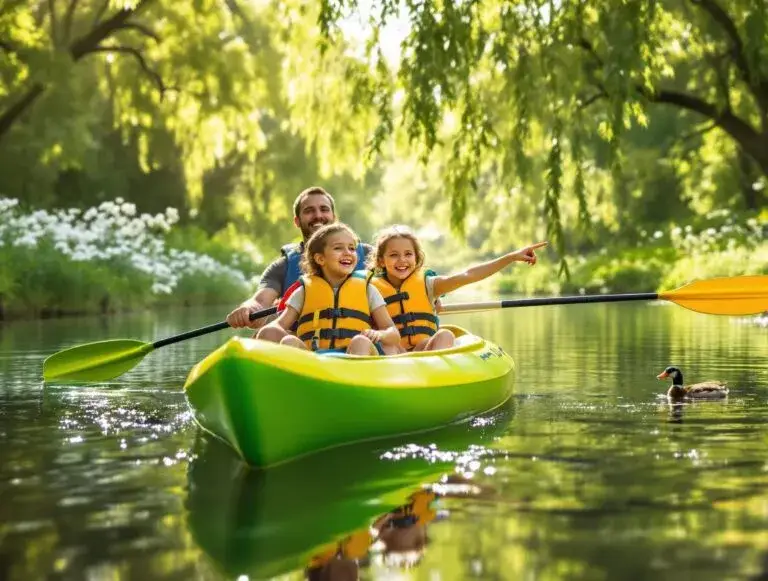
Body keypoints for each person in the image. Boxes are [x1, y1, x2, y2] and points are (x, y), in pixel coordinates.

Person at [368, 224, 547, 353]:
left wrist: (511, 257)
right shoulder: (370, 289)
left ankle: (433, 379)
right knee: (389, 345)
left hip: (424, 352)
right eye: (394, 255)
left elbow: (468, 275)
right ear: (381, 260)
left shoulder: (430, 284)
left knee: (445, 335)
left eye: (408, 254)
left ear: (416, 258)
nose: (402, 260)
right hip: (393, 353)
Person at [227, 186, 372, 329]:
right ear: (297, 221)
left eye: (324, 209)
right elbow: (259, 302)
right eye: (309, 211)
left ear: (334, 218)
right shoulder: (283, 267)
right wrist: (247, 309)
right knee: (266, 330)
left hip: (361, 339)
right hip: (299, 340)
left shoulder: (369, 255)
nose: (318, 215)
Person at [256, 223, 401, 356]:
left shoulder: (367, 289)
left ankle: (351, 376)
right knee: (285, 339)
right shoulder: (304, 291)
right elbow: (279, 325)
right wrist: (269, 333)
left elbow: (393, 333)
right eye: (338, 248)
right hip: (316, 359)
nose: (348, 252)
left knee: (360, 341)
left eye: (352, 248)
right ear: (320, 259)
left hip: (354, 356)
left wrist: (380, 335)